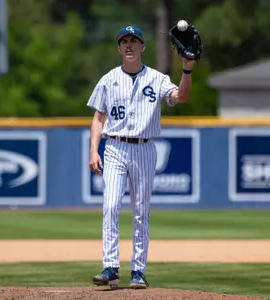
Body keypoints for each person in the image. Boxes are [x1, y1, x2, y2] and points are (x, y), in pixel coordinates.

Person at [87, 25, 195, 289]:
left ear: (143, 47)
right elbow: (98, 118)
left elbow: (181, 96)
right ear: (119, 48)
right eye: (124, 41)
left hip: (144, 148)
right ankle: (111, 267)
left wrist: (187, 69)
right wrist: (93, 150)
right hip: (114, 147)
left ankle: (138, 270)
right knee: (111, 205)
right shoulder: (109, 79)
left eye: (134, 41)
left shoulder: (157, 78)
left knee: (140, 212)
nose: (129, 45)